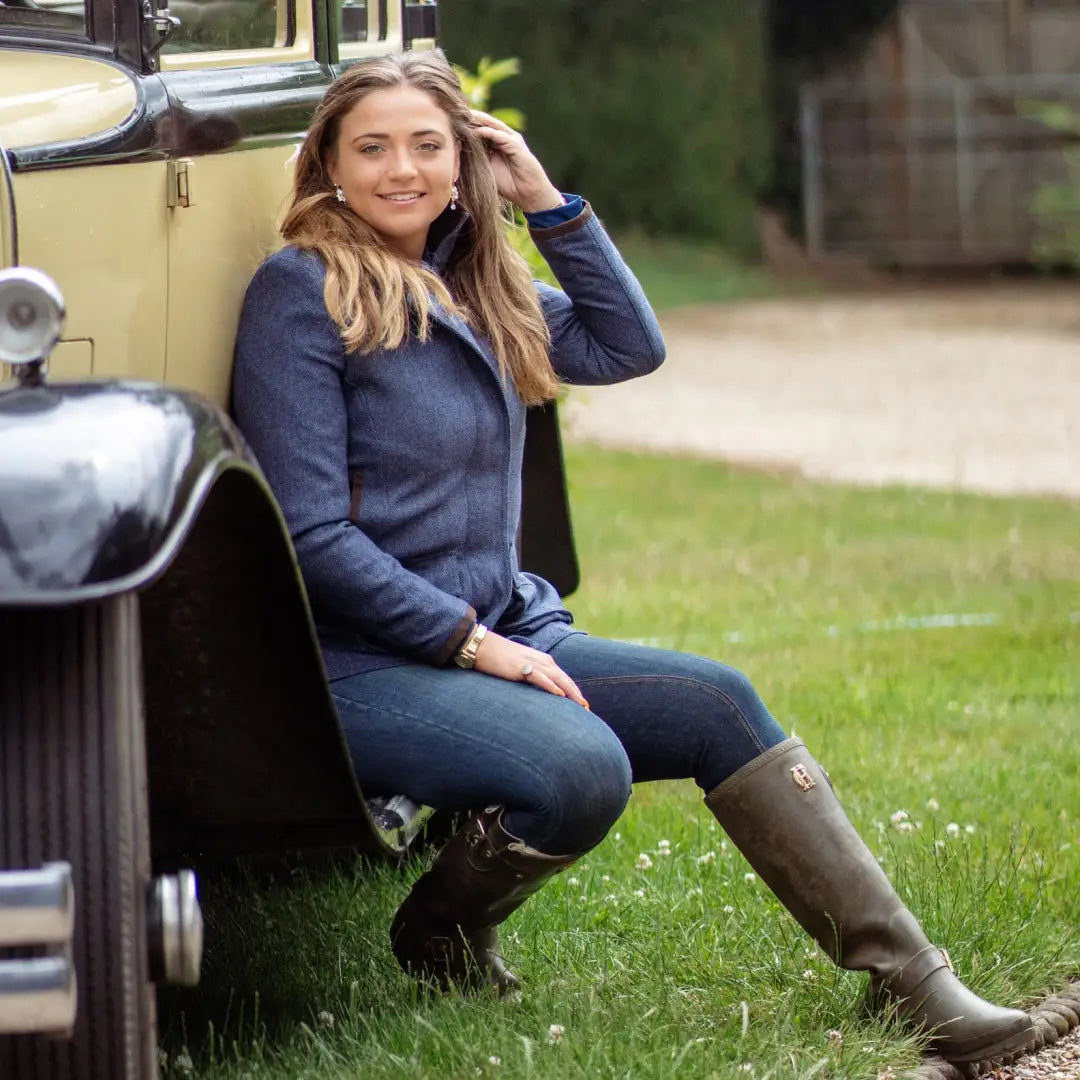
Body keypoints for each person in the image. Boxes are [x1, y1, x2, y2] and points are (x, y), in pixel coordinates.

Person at [231, 51, 1034, 1067]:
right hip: (360, 661)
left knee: (717, 703)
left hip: (494, 628)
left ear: (464, 160)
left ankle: (913, 982)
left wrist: (546, 203)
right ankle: (438, 929)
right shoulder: (301, 293)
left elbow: (627, 346)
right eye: (373, 149)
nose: (403, 169)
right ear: (329, 168)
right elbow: (309, 540)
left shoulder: (479, 281)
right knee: (578, 769)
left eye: (429, 146)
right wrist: (475, 647)